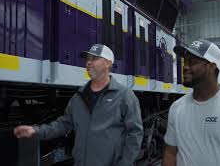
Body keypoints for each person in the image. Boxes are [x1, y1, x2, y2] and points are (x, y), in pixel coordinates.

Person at [14, 44, 144, 166]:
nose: (88, 62)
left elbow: (135, 133)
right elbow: (63, 124)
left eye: (94, 59)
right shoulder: (78, 97)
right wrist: (36, 131)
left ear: (108, 63)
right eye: (87, 59)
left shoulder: (124, 96)